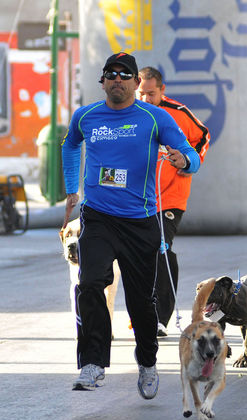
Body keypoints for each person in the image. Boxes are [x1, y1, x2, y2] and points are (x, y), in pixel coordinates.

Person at [62, 52, 201, 397]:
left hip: (140, 221)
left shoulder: (155, 118)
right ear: (103, 82)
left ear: (136, 83)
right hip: (98, 217)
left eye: (125, 75)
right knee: (89, 283)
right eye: (111, 74)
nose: (117, 80)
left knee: (141, 301)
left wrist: (183, 160)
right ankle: (92, 363)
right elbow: (70, 144)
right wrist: (72, 189)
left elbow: (191, 154)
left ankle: (147, 363)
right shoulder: (86, 116)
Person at [137, 66, 210, 337]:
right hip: (138, 199)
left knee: (161, 249)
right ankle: (141, 311)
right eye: (141, 93)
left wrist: (190, 162)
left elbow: (203, 136)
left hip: (170, 197)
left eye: (151, 93)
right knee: (139, 254)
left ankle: (159, 318)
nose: (145, 98)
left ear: (162, 90)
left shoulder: (178, 113)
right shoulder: (130, 113)